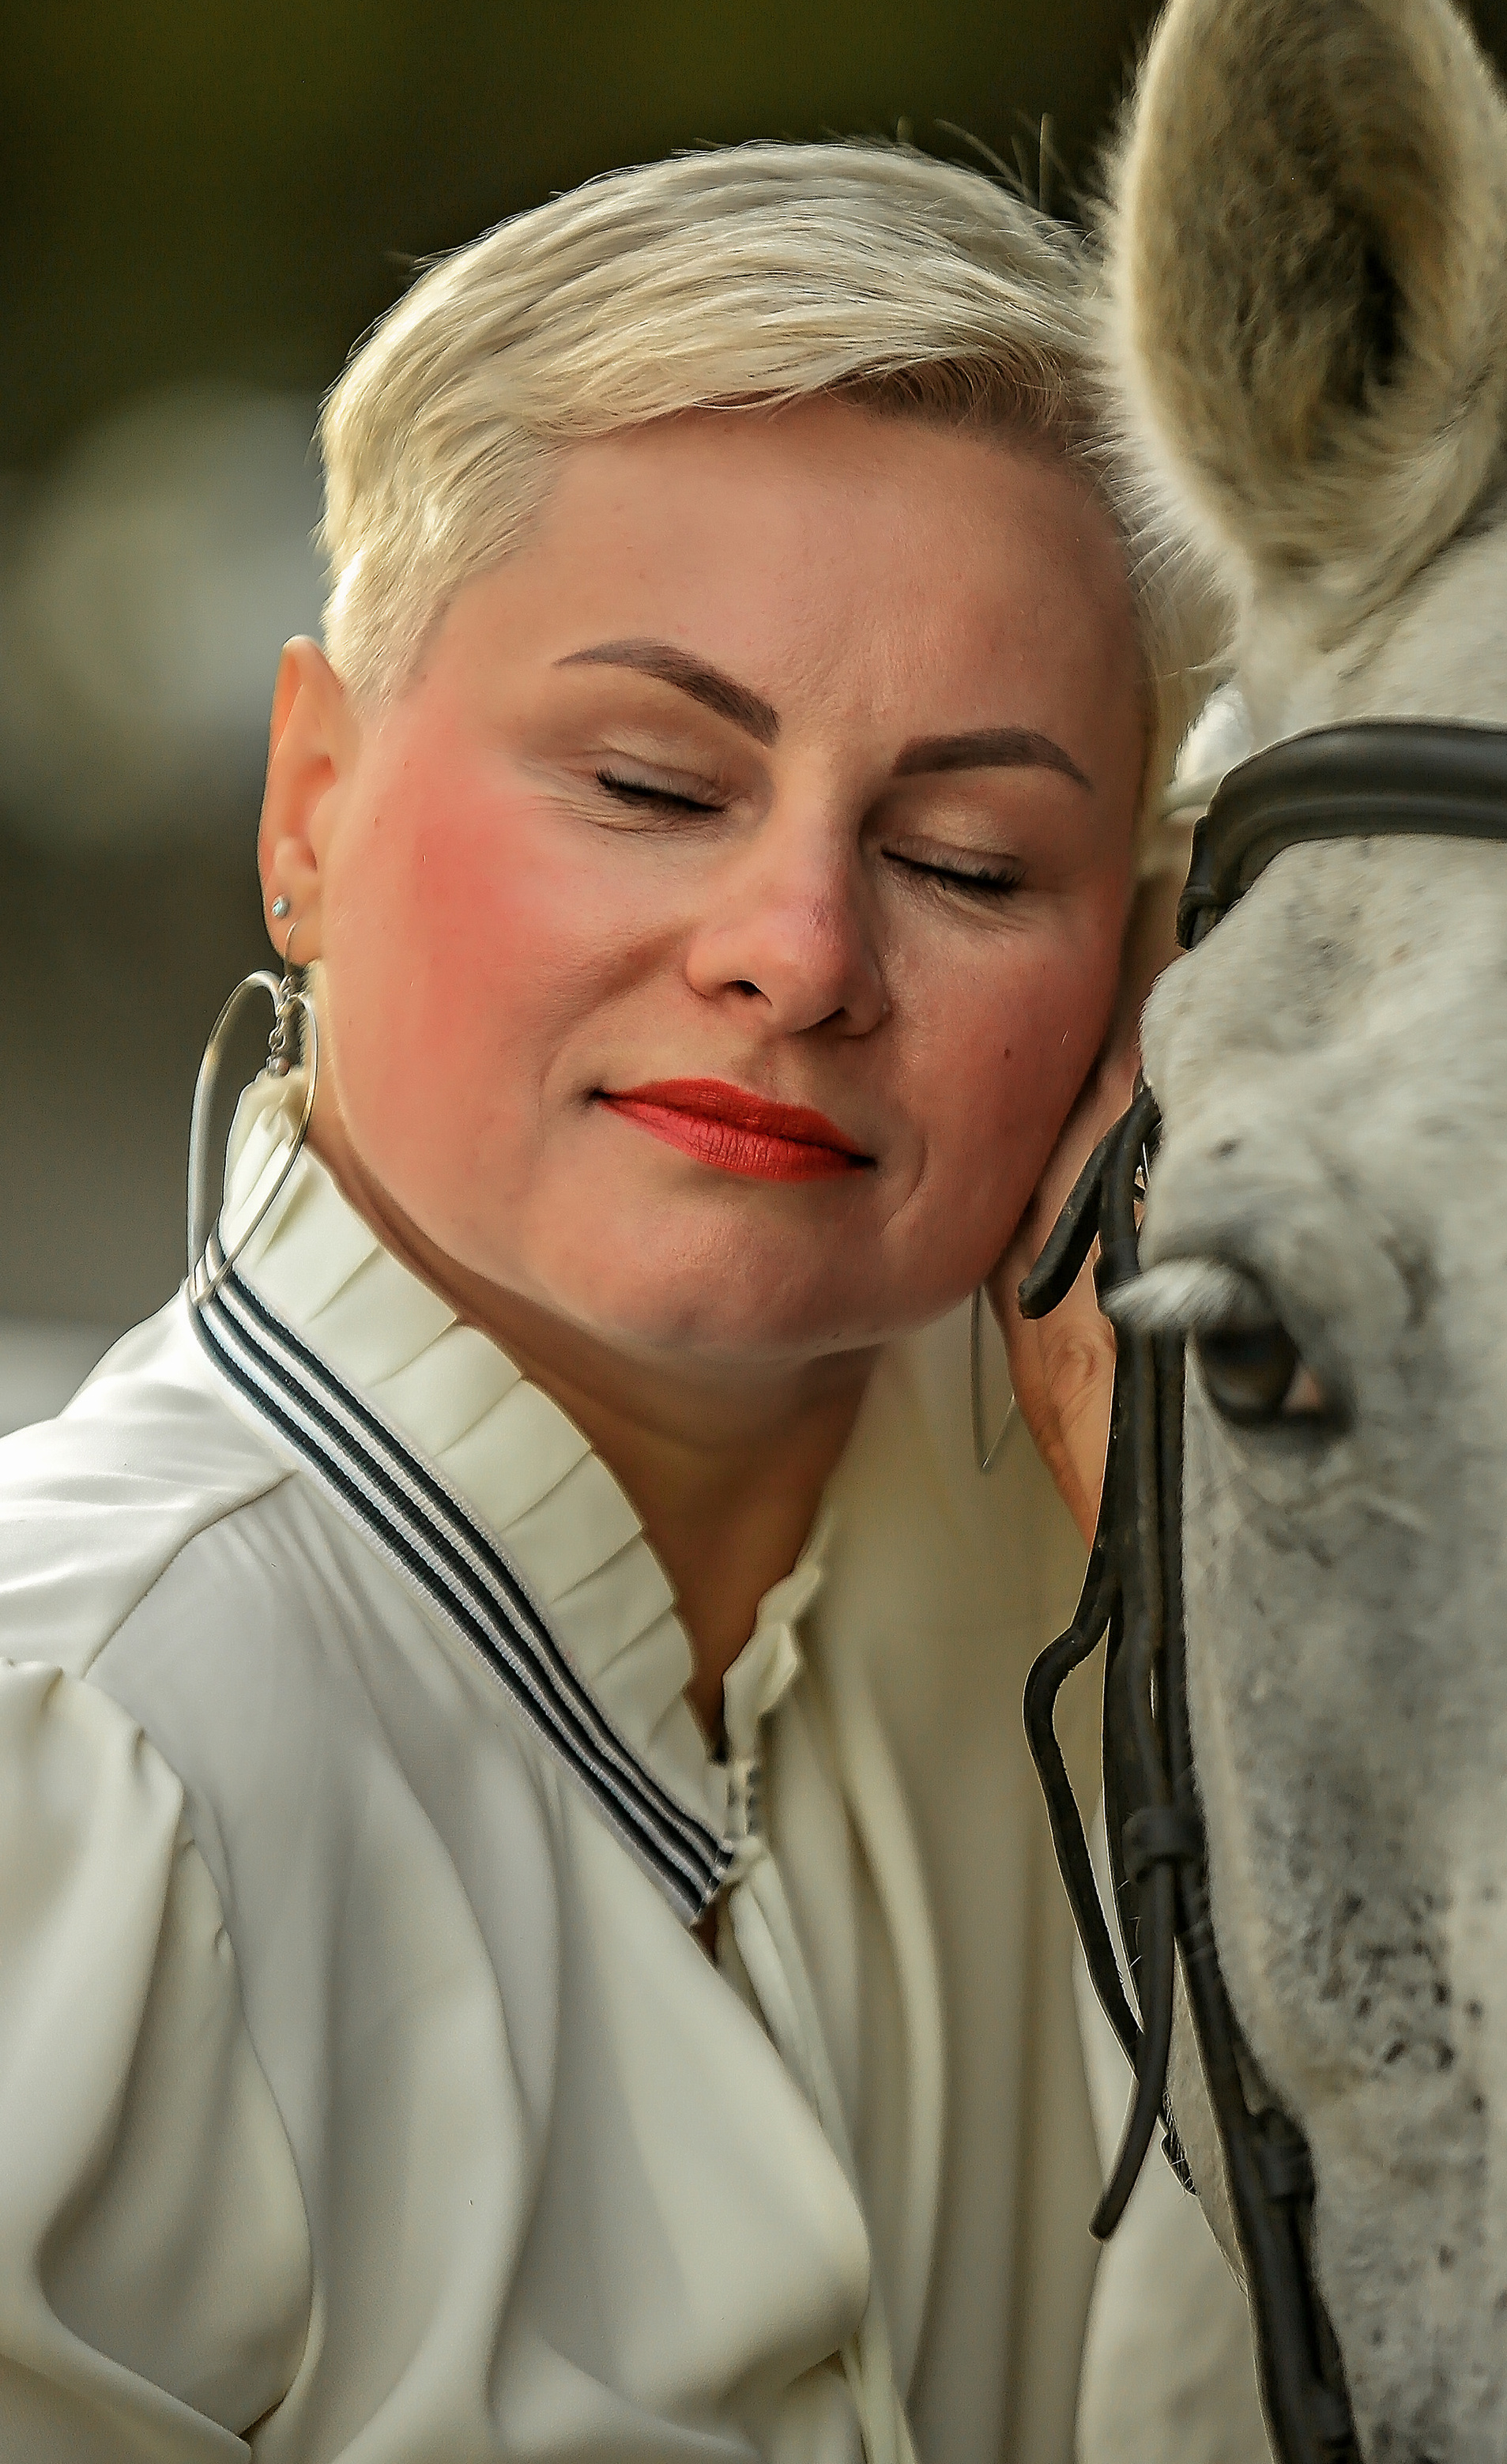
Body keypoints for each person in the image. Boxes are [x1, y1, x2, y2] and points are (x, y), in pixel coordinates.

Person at [0, 145, 1267, 2464]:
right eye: (651, 780)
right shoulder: (79, 1764)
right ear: (309, 808)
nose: (797, 950)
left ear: (1143, 966)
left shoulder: (1118, 1639)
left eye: (969, 860)